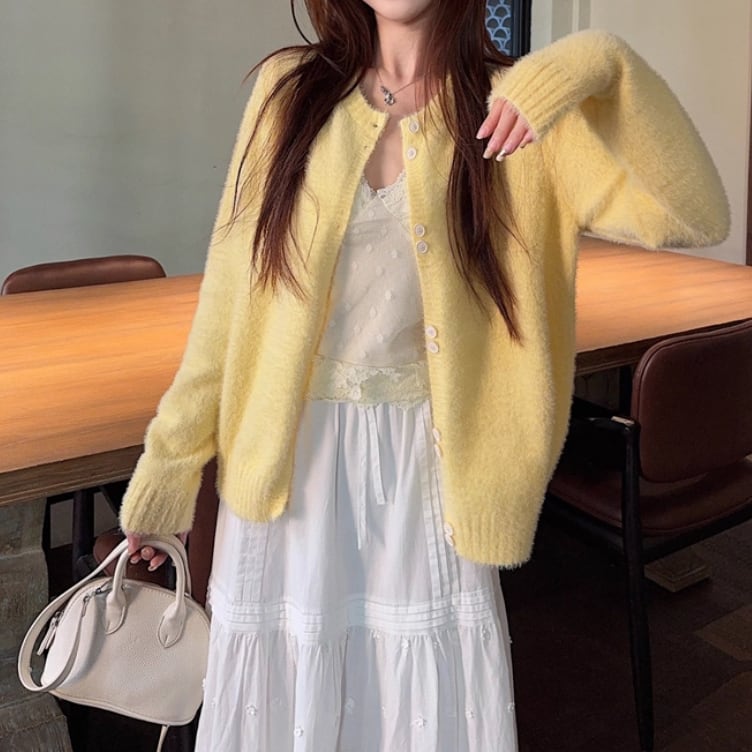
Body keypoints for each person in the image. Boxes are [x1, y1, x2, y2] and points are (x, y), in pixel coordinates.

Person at [119, 1, 729, 750]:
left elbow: (695, 216)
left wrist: (602, 62)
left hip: (430, 476)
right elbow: (227, 304)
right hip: (290, 476)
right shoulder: (288, 91)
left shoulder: (520, 116)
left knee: (422, 709)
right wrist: (169, 468)